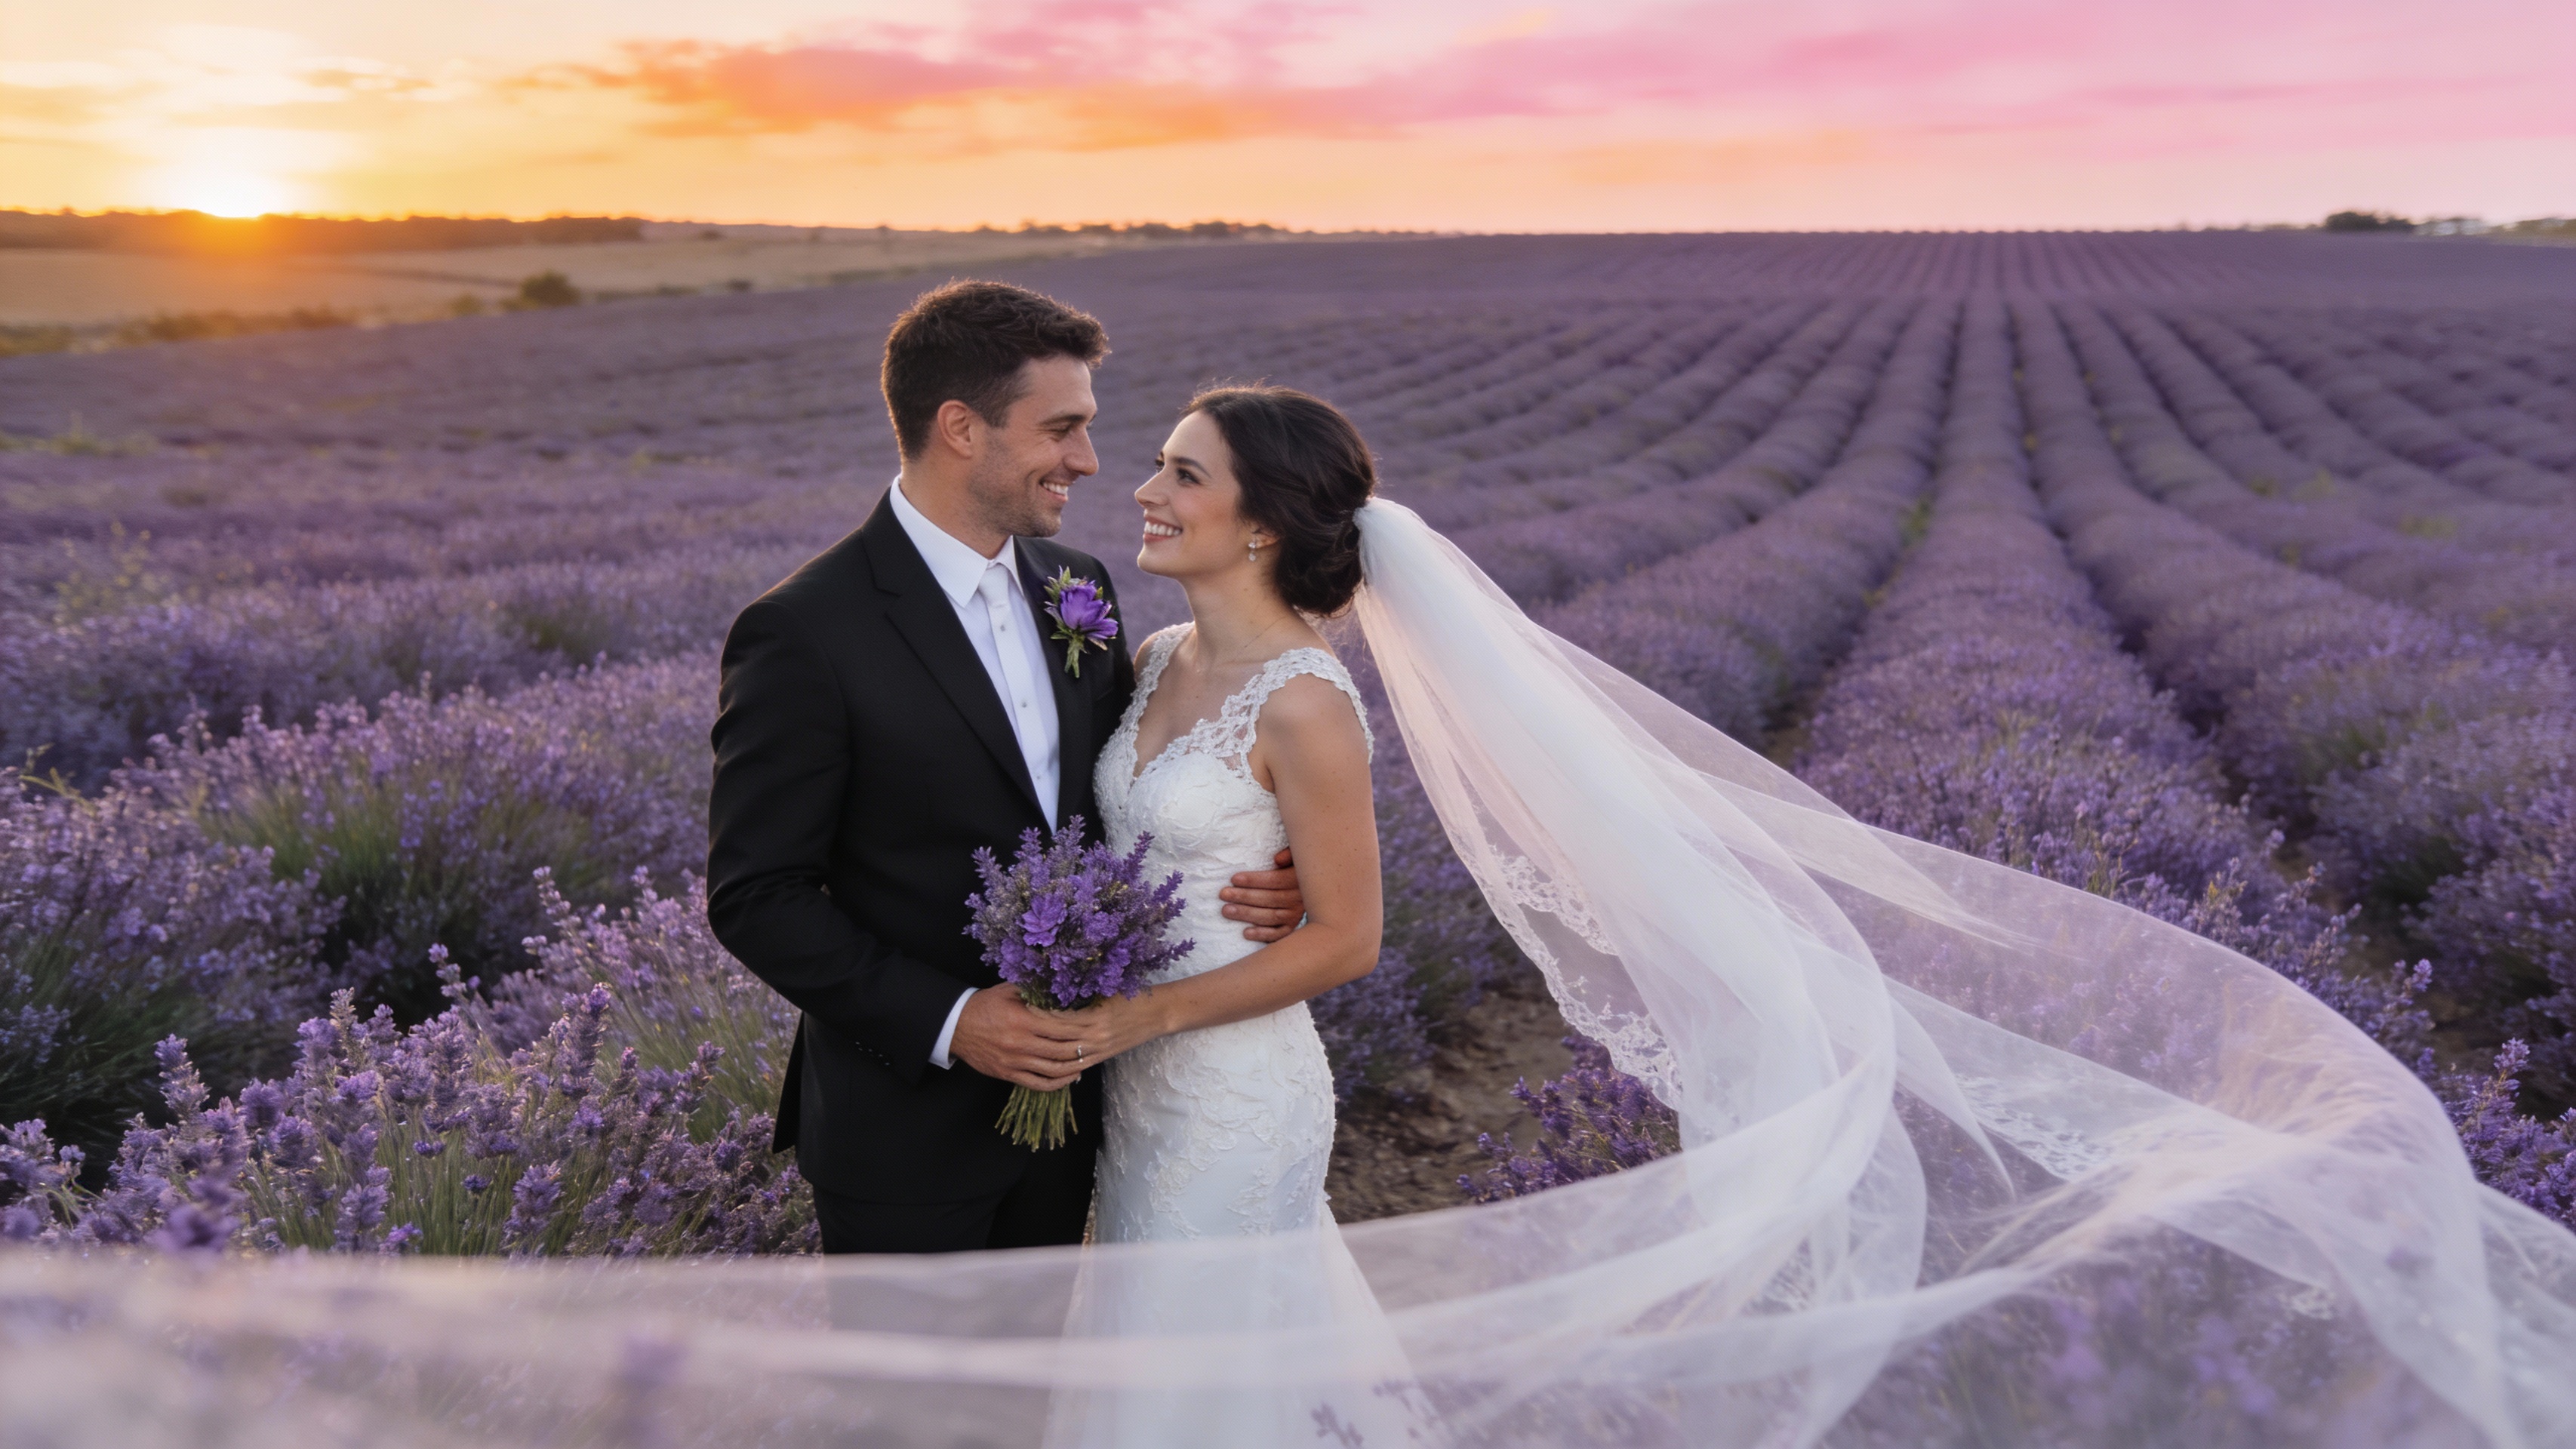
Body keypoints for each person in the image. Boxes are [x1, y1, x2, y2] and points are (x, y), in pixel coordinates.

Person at [703, 281, 1308, 1255]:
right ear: (960, 428)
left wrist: (1251, 872)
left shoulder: (1079, 585)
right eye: (1061, 429)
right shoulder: (805, 630)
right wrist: (952, 1021)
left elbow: (1128, 789)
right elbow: (756, 894)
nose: (1090, 461)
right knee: (916, 1410)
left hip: (1083, 1112)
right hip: (903, 1137)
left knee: (1046, 1399)